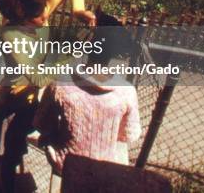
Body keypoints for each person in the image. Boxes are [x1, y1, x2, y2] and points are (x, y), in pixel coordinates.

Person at [0, 0, 96, 193]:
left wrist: (78, 10)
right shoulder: (12, 36)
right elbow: (39, 79)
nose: (46, 15)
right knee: (9, 158)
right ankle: (2, 186)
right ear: (20, 17)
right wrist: (73, 52)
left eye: (45, 8)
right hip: (12, 105)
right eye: (39, 15)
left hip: (29, 100)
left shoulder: (38, 6)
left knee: (5, 150)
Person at [33, 31, 141, 193]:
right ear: (116, 56)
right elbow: (129, 135)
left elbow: (41, 124)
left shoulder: (60, 83)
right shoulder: (126, 91)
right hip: (105, 168)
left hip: (66, 165)